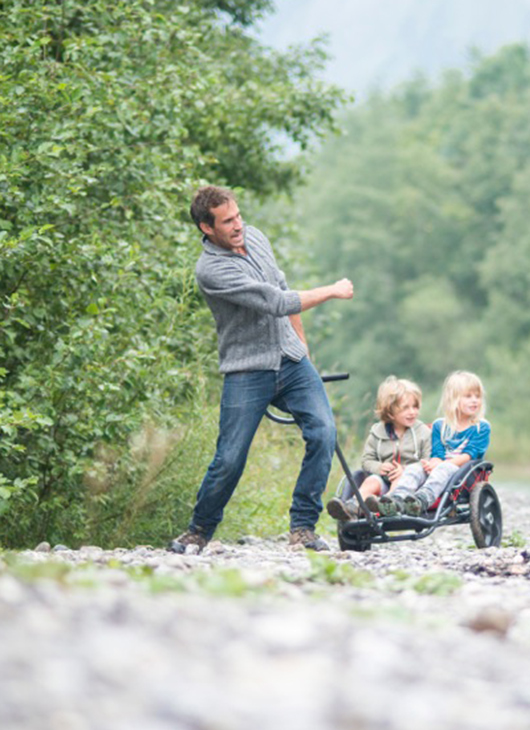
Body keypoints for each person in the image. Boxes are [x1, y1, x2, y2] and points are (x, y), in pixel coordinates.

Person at [169, 186, 353, 554]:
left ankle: (303, 528)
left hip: (291, 359)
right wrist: (333, 290)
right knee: (230, 456)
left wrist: (302, 346)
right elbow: (278, 302)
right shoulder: (211, 270)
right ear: (207, 228)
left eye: (238, 215)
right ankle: (198, 531)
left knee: (324, 433)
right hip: (247, 370)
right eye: (228, 221)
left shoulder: (255, 237)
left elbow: (282, 285)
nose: (238, 225)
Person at [367, 370, 490, 517]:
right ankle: (397, 499)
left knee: (444, 468)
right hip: (440, 469)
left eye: (477, 396)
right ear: (454, 399)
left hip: (464, 476)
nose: (475, 400)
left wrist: (441, 464)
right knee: (414, 468)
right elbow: (437, 452)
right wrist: (432, 463)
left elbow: (469, 455)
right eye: (468, 396)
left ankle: (422, 500)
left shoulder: (481, 427)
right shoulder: (440, 426)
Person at [326, 376, 431, 522]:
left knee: (399, 478)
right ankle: (353, 507)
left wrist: (405, 469)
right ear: (390, 412)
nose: (412, 412)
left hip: (410, 486)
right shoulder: (377, 433)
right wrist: (380, 467)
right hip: (384, 481)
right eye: (406, 408)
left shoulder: (423, 432)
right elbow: (367, 461)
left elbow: (428, 461)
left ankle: (389, 504)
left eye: (415, 407)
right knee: (371, 481)